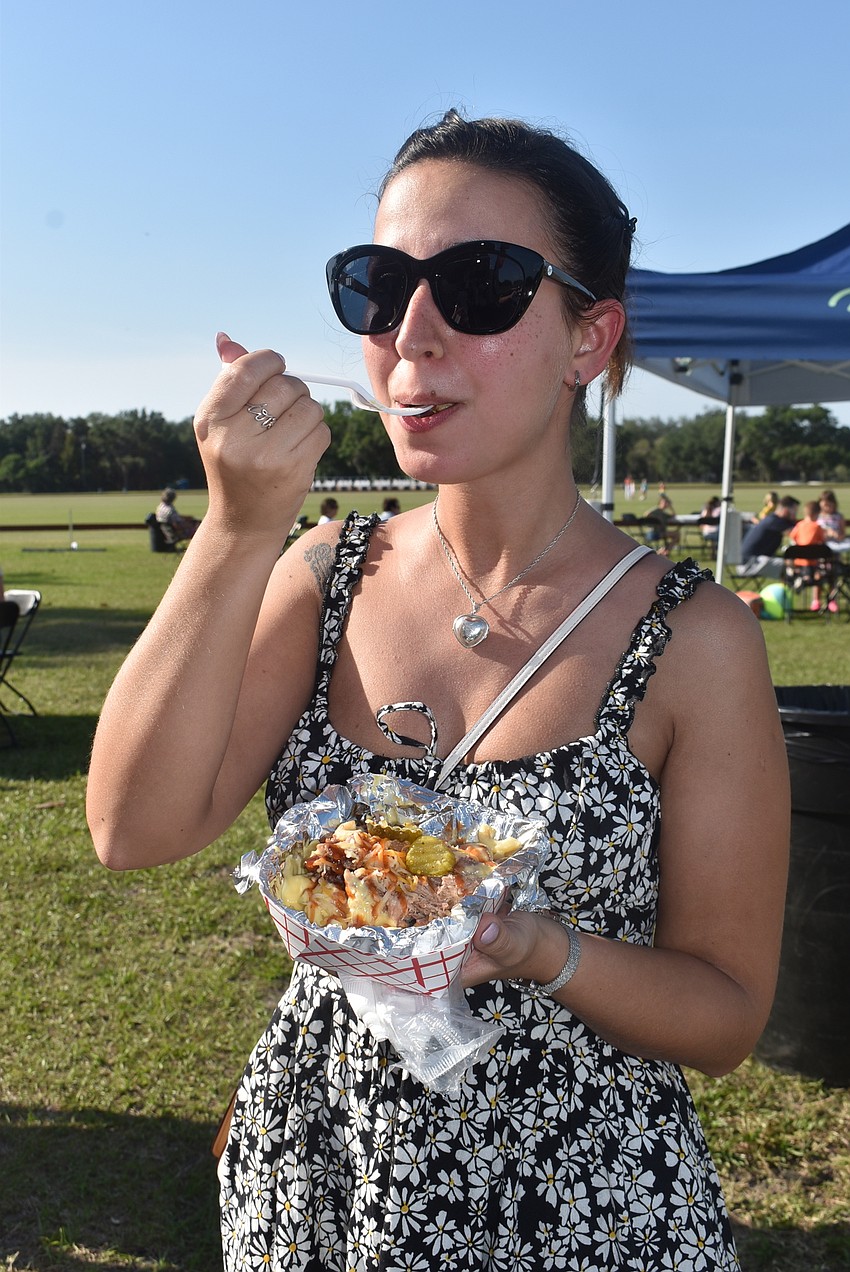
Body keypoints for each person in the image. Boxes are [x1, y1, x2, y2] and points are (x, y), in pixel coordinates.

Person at [87, 110, 789, 1270]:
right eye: (379, 284)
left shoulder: (693, 639)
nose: (411, 333)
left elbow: (724, 1015)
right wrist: (236, 530)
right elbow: (131, 827)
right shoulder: (323, 576)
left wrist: (533, 949)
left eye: (478, 283)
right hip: (319, 1181)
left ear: (588, 337)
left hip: (581, 1212)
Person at [739, 494, 799, 564]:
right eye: (794, 512)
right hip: (750, 563)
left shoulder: (773, 519)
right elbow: (796, 530)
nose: (795, 515)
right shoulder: (774, 522)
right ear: (785, 511)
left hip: (751, 560)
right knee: (793, 565)